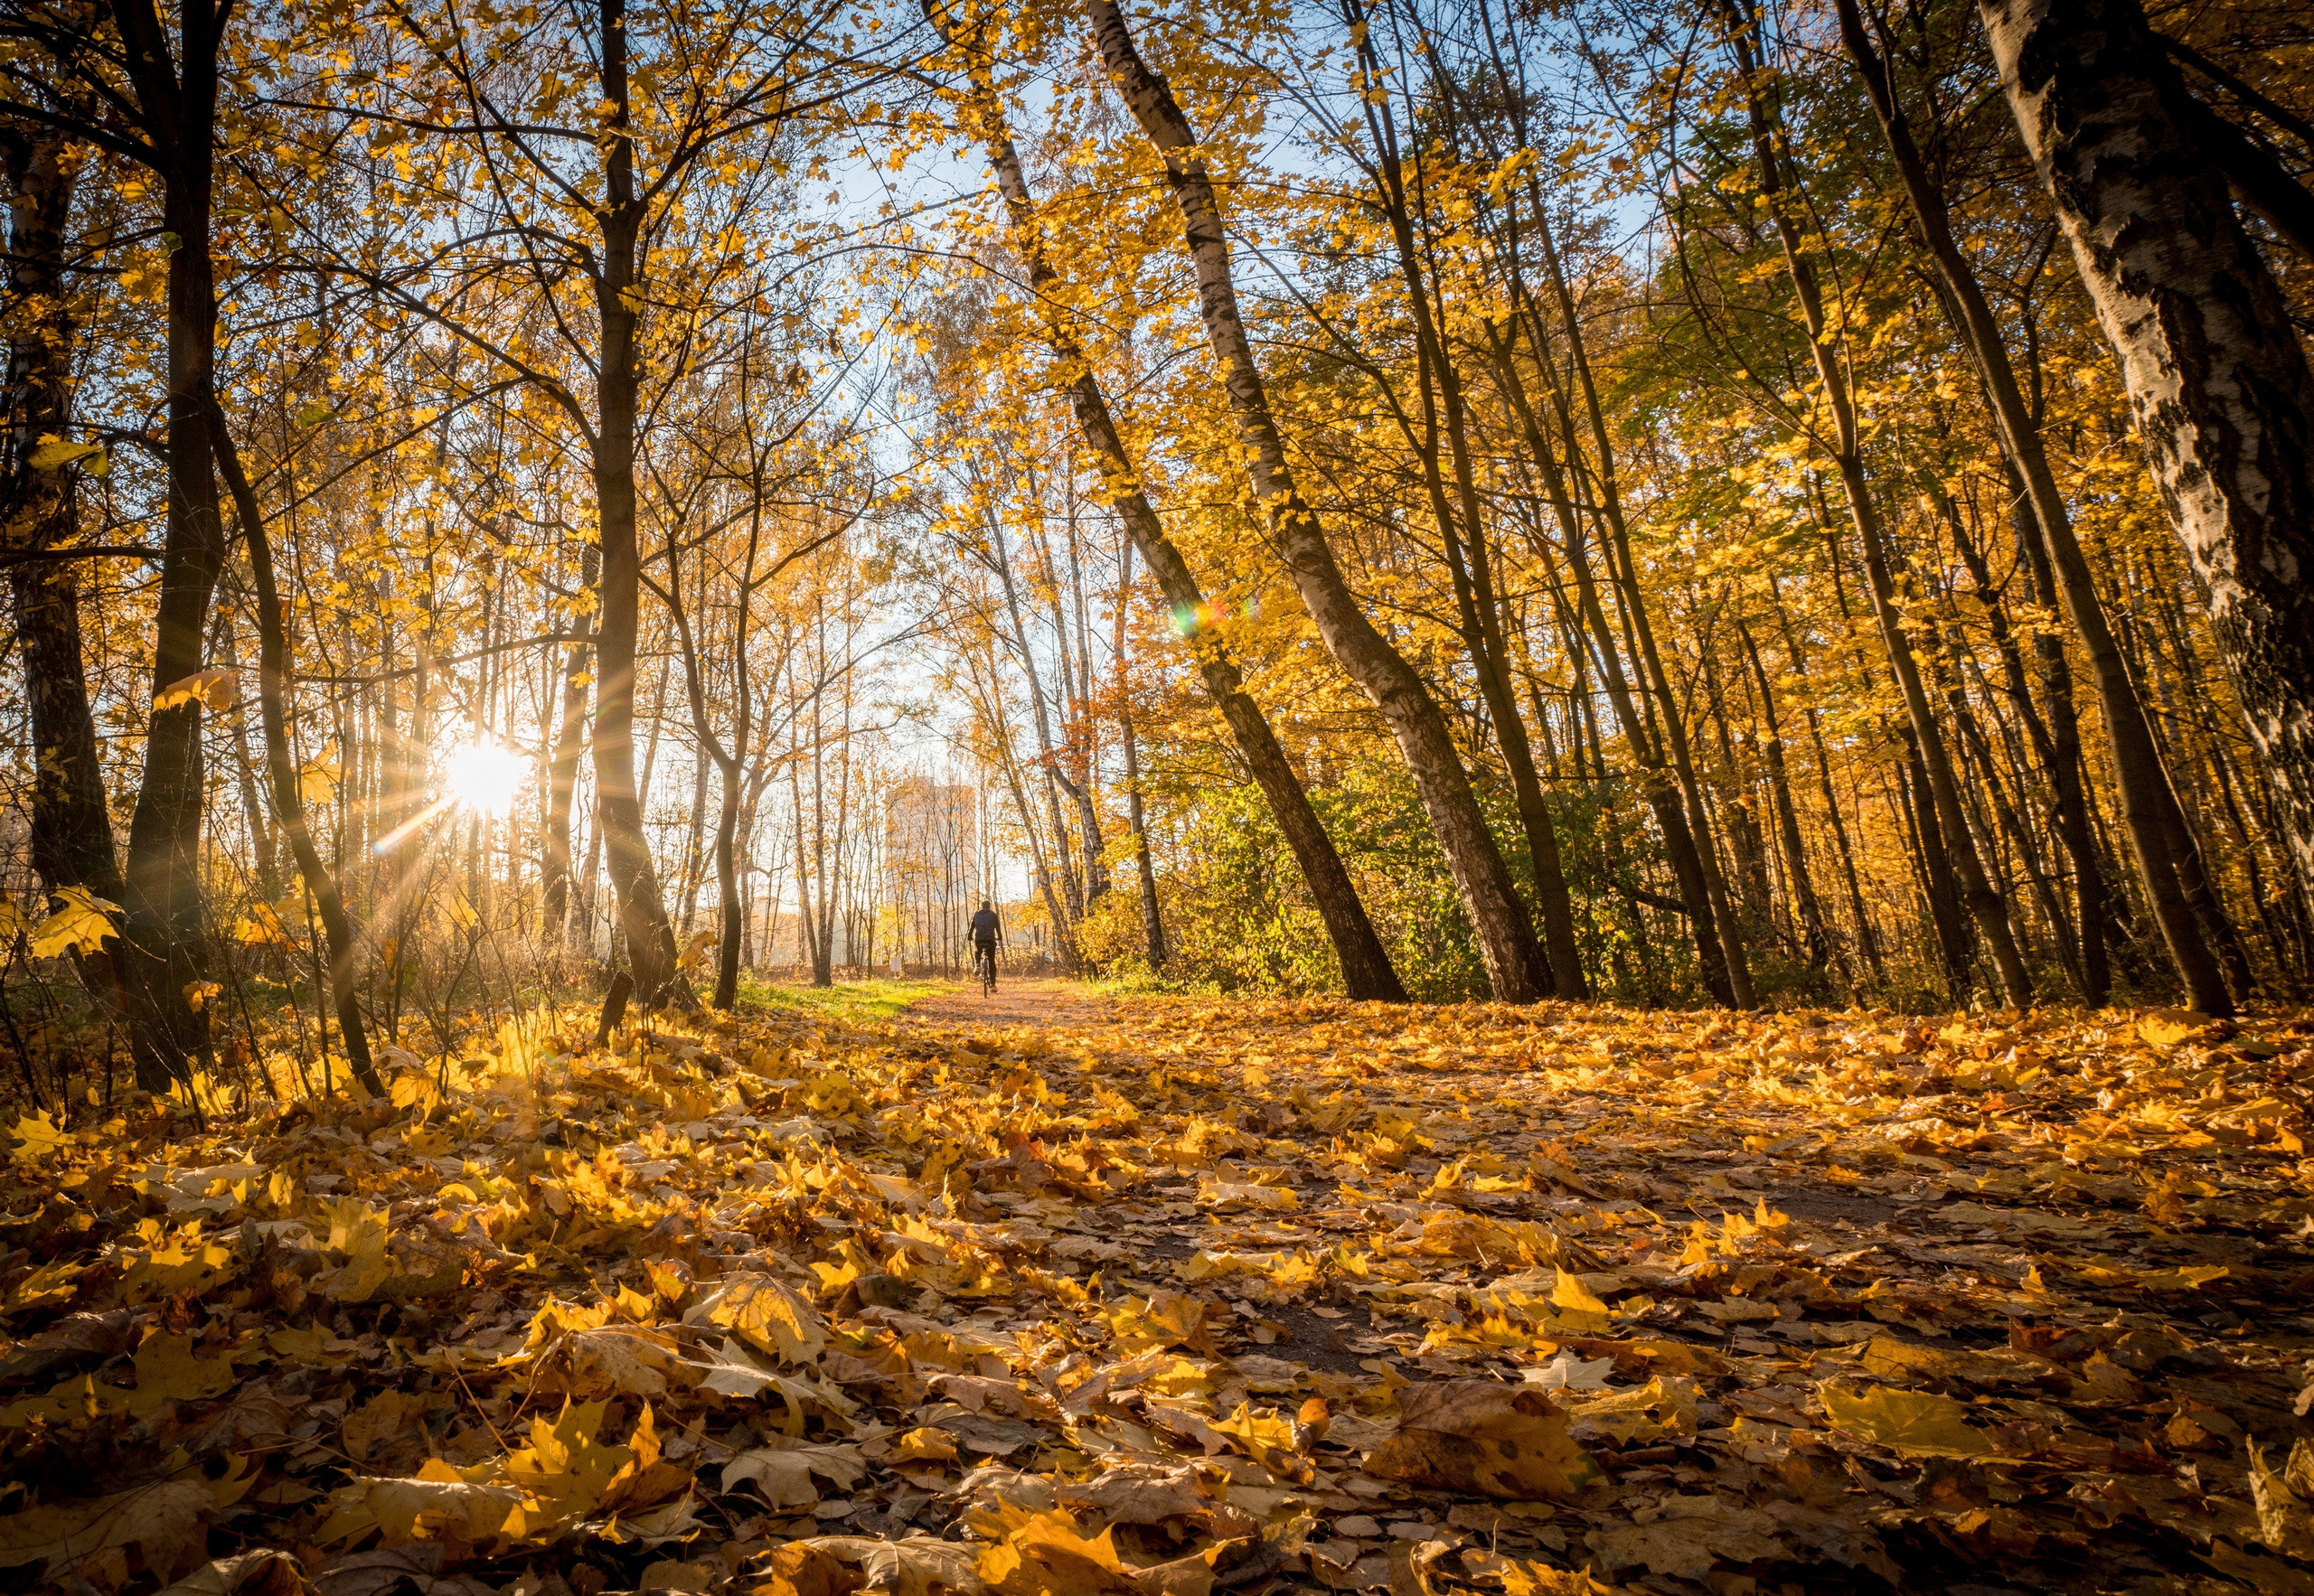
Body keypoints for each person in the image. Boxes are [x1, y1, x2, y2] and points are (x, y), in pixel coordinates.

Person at [968, 900, 1002, 989]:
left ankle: (978, 965)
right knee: (991, 961)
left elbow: (972, 927)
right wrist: (1000, 937)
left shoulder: (976, 914)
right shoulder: (993, 915)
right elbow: (998, 927)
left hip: (979, 939)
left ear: (981, 906)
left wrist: (969, 937)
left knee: (978, 950)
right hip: (990, 940)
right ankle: (993, 985)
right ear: (989, 906)